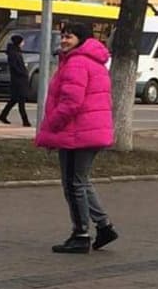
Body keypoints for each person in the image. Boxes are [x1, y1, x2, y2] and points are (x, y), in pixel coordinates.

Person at [35, 21, 118, 254]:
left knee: (73, 185)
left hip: (77, 133)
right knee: (81, 181)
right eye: (62, 36)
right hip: (88, 131)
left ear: (81, 39)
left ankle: (81, 234)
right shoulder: (92, 60)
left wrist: (51, 126)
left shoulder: (77, 62)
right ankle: (104, 227)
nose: (63, 40)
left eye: (68, 37)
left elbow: (71, 102)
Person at [0, 34, 32, 127]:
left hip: (19, 79)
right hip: (18, 80)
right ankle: (25, 120)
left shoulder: (16, 52)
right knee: (21, 100)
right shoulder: (14, 53)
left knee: (14, 100)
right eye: (22, 41)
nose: (23, 43)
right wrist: (23, 72)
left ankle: (3, 115)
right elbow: (15, 66)